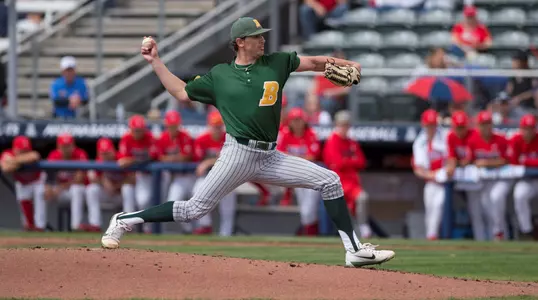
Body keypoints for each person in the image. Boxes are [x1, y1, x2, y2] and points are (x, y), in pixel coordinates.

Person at [101, 17, 394, 267]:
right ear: (240, 41)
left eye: (262, 36)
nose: (263, 40)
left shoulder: (277, 63)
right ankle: (126, 219)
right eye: (256, 37)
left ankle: (354, 251)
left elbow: (316, 62)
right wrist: (155, 61)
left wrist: (346, 63)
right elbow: (181, 92)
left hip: (270, 156)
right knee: (193, 210)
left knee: (330, 180)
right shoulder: (220, 75)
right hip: (238, 153)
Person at [322, 111, 372, 239]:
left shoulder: (351, 142)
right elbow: (336, 163)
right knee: (347, 216)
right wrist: (352, 161)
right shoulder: (332, 140)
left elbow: (362, 162)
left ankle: (363, 226)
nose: (344, 128)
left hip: (353, 182)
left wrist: (347, 161)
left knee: (362, 198)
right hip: (338, 183)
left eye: (346, 125)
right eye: (342, 125)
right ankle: (353, 237)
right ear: (337, 124)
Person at [276, 108, 322, 235]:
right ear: (289, 122)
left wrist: (293, 157)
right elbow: (279, 154)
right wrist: (299, 158)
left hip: (312, 176)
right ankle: (311, 236)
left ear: (304, 121)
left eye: (299, 120)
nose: (297, 123)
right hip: (296, 175)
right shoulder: (285, 134)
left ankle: (310, 234)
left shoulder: (311, 134)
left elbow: (312, 156)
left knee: (309, 210)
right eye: (294, 120)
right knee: (305, 211)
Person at [466, 111, 510, 241]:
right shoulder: (473, 141)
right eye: (483, 124)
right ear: (478, 125)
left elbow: (506, 160)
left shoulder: (500, 139)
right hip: (483, 180)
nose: (486, 127)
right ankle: (490, 240)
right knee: (484, 209)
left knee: (496, 200)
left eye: (488, 124)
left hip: (501, 178)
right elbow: (470, 161)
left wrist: (487, 162)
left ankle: (501, 236)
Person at [191, 111, 237, 236]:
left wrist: (208, 161)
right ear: (209, 125)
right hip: (209, 176)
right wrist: (208, 162)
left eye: (219, 126)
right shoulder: (202, 139)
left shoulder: (230, 138)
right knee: (197, 191)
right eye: (214, 126)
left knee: (227, 210)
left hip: (228, 177)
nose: (216, 129)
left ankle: (225, 236)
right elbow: (197, 161)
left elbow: (230, 159)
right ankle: (205, 225)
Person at [117, 114, 159, 233]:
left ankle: (147, 228)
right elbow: (122, 162)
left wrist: (132, 160)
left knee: (143, 201)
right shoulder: (126, 139)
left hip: (147, 175)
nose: (138, 133)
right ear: (131, 129)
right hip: (132, 176)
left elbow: (152, 156)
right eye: (136, 130)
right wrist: (132, 164)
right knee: (128, 191)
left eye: (140, 130)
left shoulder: (150, 137)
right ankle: (127, 226)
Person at [45, 133, 93, 231]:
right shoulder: (53, 155)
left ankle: (76, 226)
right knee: (40, 191)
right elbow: (49, 179)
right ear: (58, 146)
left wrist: (61, 186)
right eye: (63, 146)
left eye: (68, 146)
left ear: (73, 145)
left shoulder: (80, 154)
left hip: (76, 193)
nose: (66, 149)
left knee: (77, 189)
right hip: (59, 192)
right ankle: (39, 226)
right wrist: (49, 188)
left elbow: (79, 179)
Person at [412, 109, 446, 240]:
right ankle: (431, 237)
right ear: (423, 124)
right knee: (430, 210)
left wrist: (443, 173)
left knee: (439, 206)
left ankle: (433, 235)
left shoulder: (444, 136)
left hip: (445, 182)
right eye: (428, 125)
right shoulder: (419, 142)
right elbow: (418, 169)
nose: (431, 127)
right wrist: (434, 175)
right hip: (431, 182)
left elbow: (450, 159)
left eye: (433, 124)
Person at [1, 136, 46, 231]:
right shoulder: (7, 153)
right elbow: (5, 168)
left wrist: (14, 161)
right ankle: (29, 226)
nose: (25, 152)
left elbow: (34, 156)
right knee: (24, 203)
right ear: (14, 148)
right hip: (22, 183)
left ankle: (40, 226)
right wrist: (19, 161)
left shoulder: (29, 154)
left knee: (40, 194)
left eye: (26, 150)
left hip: (37, 181)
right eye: (21, 150)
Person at [86, 138, 136, 219]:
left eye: (107, 152)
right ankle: (94, 224)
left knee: (127, 188)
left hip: (121, 195)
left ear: (113, 150)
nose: (106, 156)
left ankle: (128, 223)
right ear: (98, 153)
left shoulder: (121, 159)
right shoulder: (98, 161)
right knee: (91, 189)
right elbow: (92, 178)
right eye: (103, 153)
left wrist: (117, 186)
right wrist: (103, 181)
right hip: (107, 194)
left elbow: (133, 179)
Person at [509, 114, 538, 240]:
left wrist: (526, 161)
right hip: (527, 179)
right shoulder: (516, 139)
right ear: (521, 128)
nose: (528, 131)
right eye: (526, 128)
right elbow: (513, 161)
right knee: (519, 195)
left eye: (531, 128)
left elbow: (521, 161)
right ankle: (527, 231)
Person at [306, 49, 350, 116]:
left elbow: (348, 89)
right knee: (302, 102)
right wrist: (312, 95)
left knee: (327, 103)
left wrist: (332, 93)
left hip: (334, 100)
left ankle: (325, 124)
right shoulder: (324, 71)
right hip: (319, 97)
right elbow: (314, 86)